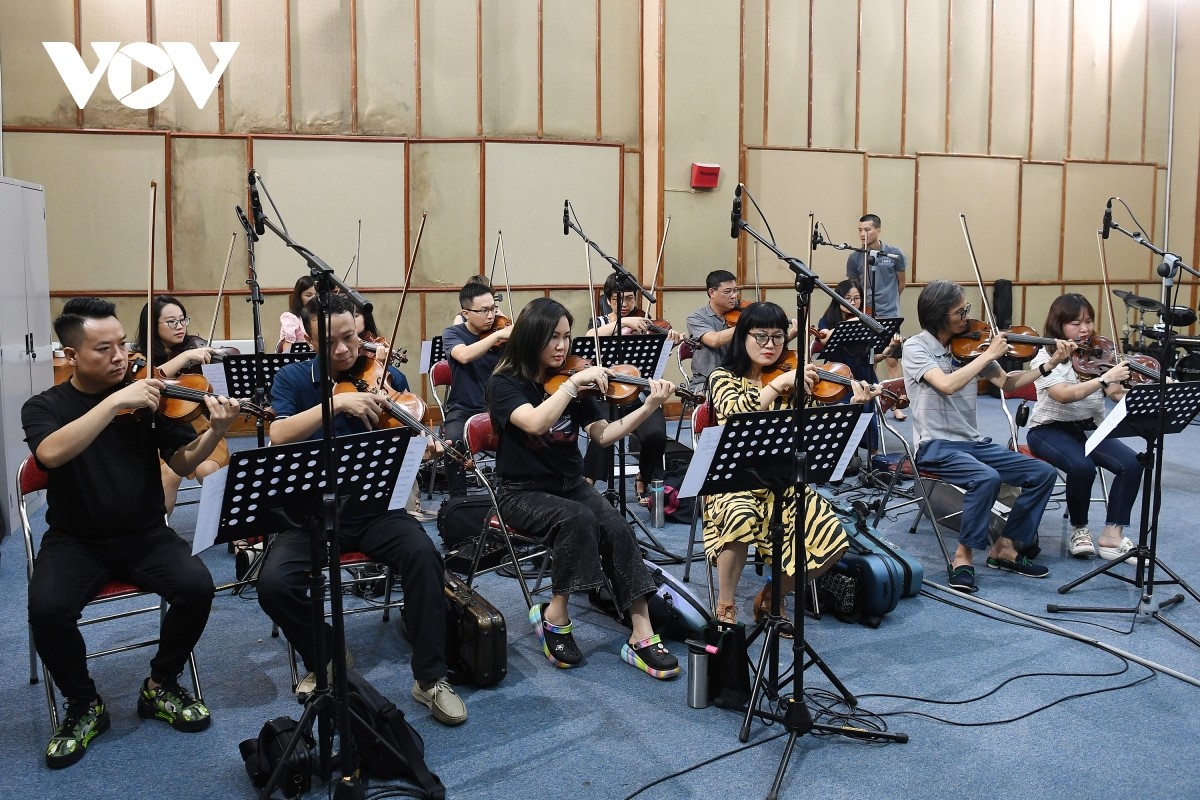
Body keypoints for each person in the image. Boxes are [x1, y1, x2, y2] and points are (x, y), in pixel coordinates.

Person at [23, 297, 237, 768]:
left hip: (144, 534)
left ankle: (160, 684)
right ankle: (84, 704)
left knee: (198, 587)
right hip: (75, 540)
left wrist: (215, 432)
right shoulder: (45, 406)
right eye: (104, 349)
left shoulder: (149, 399)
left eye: (122, 344)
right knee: (47, 610)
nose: (121, 356)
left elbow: (182, 460)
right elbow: (50, 455)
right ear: (72, 355)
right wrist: (114, 402)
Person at [259, 293, 467, 726]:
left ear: (361, 331)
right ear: (309, 341)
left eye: (350, 337)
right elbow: (278, 434)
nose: (342, 350)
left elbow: (408, 439)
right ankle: (327, 654)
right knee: (274, 585)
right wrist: (334, 404)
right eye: (328, 342)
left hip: (374, 510)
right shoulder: (293, 379)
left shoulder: (385, 375)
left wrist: (423, 449)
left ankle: (430, 678)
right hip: (310, 515)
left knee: (424, 556)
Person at [485, 297, 680, 679]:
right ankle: (554, 615)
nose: (562, 346)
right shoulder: (505, 383)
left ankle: (641, 633)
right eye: (553, 337)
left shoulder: (572, 377)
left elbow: (603, 435)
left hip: (570, 484)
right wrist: (573, 385)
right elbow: (536, 423)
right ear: (531, 337)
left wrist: (648, 407)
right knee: (577, 519)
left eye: (566, 337)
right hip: (520, 492)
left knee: (617, 527)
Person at [703, 301, 869, 628]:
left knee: (833, 535)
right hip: (732, 482)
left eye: (778, 337)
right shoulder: (723, 378)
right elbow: (736, 413)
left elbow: (817, 430)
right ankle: (725, 604)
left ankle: (772, 596)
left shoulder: (794, 381)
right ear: (742, 337)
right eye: (761, 336)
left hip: (781, 482)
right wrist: (777, 385)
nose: (770, 345)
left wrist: (852, 406)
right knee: (739, 515)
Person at [902, 280, 1072, 593]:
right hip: (934, 445)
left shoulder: (968, 346)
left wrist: (1049, 365)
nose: (966, 317)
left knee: (1043, 473)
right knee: (986, 478)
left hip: (972, 443)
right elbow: (946, 385)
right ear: (939, 315)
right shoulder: (916, 347)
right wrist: (987, 355)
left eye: (965, 309)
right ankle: (962, 557)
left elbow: (1007, 382)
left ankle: (1005, 547)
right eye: (959, 312)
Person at [1026, 294, 1142, 562]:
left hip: (1089, 429)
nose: (1085, 329)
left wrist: (1146, 389)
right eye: (1076, 323)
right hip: (1048, 430)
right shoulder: (1045, 356)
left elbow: (1115, 392)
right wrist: (1103, 379)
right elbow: (1062, 395)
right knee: (1082, 466)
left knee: (1132, 463)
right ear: (1058, 324)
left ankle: (1112, 535)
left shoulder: (1099, 352)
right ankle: (1079, 529)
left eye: (1088, 321)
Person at [583, 273, 681, 504]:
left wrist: (670, 342)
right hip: (606, 394)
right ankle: (587, 485)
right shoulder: (599, 323)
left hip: (639, 395)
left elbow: (656, 362)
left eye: (629, 299)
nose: (624, 305)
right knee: (602, 433)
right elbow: (589, 336)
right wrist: (624, 323)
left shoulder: (647, 324)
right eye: (618, 300)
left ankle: (643, 477)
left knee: (656, 435)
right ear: (608, 301)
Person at [134, 295, 230, 512]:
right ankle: (159, 528)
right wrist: (185, 357)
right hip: (158, 434)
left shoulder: (196, 351)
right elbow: (149, 379)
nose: (180, 327)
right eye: (171, 322)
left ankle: (227, 527)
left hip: (198, 428)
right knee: (168, 474)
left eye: (182, 320)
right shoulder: (140, 359)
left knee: (209, 470)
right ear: (152, 326)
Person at [813, 278, 903, 454]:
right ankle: (840, 453)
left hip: (863, 375)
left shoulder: (866, 320)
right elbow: (823, 339)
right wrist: (850, 323)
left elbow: (873, 358)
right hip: (837, 378)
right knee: (843, 416)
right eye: (848, 299)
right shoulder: (827, 320)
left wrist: (890, 349)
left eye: (857, 298)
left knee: (868, 409)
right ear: (838, 299)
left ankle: (873, 455)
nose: (853, 303)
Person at [442, 279, 510, 497]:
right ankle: (458, 502)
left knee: (527, 437)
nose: (491, 315)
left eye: (493, 308)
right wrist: (497, 335)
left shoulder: (502, 331)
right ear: (466, 313)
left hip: (498, 409)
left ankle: (510, 496)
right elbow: (463, 355)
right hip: (463, 408)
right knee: (453, 444)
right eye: (483, 311)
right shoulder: (453, 334)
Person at [846, 213, 907, 418]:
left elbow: (901, 283)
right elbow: (854, 288)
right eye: (860, 230)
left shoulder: (894, 254)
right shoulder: (855, 257)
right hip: (866, 315)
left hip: (889, 313)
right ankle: (873, 402)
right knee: (868, 360)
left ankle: (896, 404)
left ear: (878, 230)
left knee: (892, 360)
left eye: (867, 229)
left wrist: (889, 303)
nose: (862, 234)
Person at [685, 269, 741, 397]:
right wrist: (746, 324)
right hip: (707, 381)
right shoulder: (696, 318)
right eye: (727, 292)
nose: (734, 296)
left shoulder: (740, 314)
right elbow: (714, 340)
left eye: (735, 290)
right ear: (712, 292)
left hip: (738, 379)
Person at [277, 275, 317, 353]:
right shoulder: (291, 318)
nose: (314, 299)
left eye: (317, 295)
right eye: (309, 295)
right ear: (299, 297)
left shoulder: (324, 317)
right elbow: (287, 349)